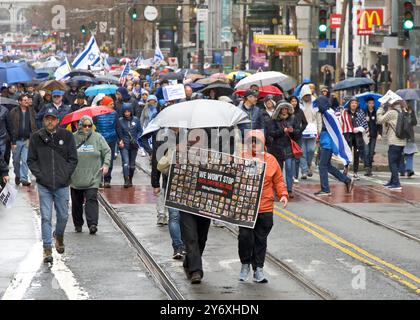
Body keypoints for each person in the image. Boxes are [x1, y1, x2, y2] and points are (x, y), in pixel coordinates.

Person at [27, 108, 78, 264]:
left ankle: (59, 236)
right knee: (46, 217)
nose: (49, 121)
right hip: (44, 185)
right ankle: (47, 249)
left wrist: (65, 175)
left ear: (57, 120)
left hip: (62, 184)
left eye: (52, 118)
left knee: (63, 216)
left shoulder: (67, 136)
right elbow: (31, 160)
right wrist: (41, 176)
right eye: (47, 119)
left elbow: (73, 159)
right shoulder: (36, 137)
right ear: (44, 121)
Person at [238, 130, 288, 283]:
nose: (254, 145)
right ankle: (245, 264)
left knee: (261, 238)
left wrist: (283, 194)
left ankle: (258, 268)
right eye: (251, 142)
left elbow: (278, 180)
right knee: (245, 237)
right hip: (246, 206)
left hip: (265, 207)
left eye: (256, 142)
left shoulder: (271, 160)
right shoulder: (240, 158)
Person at [71, 116, 111, 234]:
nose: (87, 128)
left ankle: (93, 224)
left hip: (93, 175)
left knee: (92, 198)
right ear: (80, 125)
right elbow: (65, 154)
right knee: (76, 202)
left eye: (90, 126)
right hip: (76, 176)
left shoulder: (98, 137)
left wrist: (106, 165)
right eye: (85, 125)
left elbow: (107, 151)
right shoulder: (73, 138)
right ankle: (78, 224)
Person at [315, 96, 355, 196]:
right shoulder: (327, 112)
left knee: (322, 166)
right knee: (327, 166)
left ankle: (325, 189)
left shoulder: (328, 113)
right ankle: (346, 180)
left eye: (319, 104)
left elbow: (334, 130)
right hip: (326, 142)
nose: (318, 106)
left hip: (327, 144)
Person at [268, 102, 300, 198]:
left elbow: (298, 132)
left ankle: (289, 189)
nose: (284, 110)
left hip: (289, 147)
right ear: (279, 110)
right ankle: (279, 190)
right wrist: (282, 131)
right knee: (279, 171)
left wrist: (293, 131)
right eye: (283, 108)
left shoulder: (293, 118)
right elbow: (271, 133)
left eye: (286, 108)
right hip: (277, 148)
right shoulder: (274, 120)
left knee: (289, 169)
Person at [376, 100, 407, 190]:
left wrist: (380, 108)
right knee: (396, 162)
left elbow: (379, 120)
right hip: (402, 141)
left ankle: (396, 183)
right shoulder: (403, 110)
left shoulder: (392, 112)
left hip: (394, 141)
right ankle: (392, 181)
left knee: (392, 162)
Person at [94, 96, 124, 188]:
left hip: (111, 139)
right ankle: (99, 179)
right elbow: (94, 127)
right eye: (111, 104)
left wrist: (120, 139)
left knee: (109, 160)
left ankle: (107, 179)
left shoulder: (114, 113)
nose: (113, 105)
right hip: (100, 140)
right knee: (99, 159)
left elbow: (117, 127)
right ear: (106, 104)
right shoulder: (97, 113)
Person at [9, 94, 37, 186]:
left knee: (25, 160)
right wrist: (13, 142)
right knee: (16, 161)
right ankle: (18, 175)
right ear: (19, 102)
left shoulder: (32, 111)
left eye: (27, 100)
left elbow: (34, 125)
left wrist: (33, 137)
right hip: (16, 140)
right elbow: (11, 127)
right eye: (24, 100)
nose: (27, 101)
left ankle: (24, 178)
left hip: (27, 140)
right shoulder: (14, 111)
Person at [340, 98, 368, 180]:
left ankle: (355, 172)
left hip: (358, 136)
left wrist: (359, 128)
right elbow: (341, 121)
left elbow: (364, 124)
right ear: (349, 104)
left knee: (356, 154)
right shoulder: (345, 112)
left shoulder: (360, 112)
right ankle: (346, 168)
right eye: (352, 103)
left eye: (356, 103)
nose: (354, 104)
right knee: (347, 152)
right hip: (348, 135)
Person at [119, 103, 142, 188]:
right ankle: (126, 180)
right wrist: (120, 141)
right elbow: (118, 132)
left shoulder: (136, 120)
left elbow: (140, 130)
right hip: (124, 145)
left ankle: (131, 179)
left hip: (133, 145)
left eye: (128, 111)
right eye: (125, 111)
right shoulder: (120, 120)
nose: (127, 113)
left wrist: (137, 138)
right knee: (125, 162)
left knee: (132, 165)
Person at [299, 84, 318, 179]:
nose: (307, 97)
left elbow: (318, 117)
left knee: (311, 150)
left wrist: (318, 129)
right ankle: (304, 171)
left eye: (308, 95)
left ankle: (310, 164)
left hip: (312, 129)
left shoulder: (315, 102)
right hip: (301, 129)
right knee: (302, 151)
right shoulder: (298, 103)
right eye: (305, 95)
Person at [289, 95, 307, 183]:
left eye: (295, 101)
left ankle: (295, 175)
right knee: (289, 156)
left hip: (298, 136)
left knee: (297, 156)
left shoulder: (300, 111)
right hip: (288, 136)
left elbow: (305, 123)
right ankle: (290, 175)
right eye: (292, 101)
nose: (294, 103)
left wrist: (300, 130)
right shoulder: (287, 111)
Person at [364, 98, 382, 177]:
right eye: (369, 103)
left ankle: (369, 167)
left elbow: (379, 124)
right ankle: (367, 168)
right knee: (366, 152)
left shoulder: (376, 112)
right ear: (367, 104)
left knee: (371, 152)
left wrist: (380, 133)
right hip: (365, 135)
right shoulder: (364, 112)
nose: (371, 105)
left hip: (374, 135)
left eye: (372, 103)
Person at [399, 103, 417, 178]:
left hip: (410, 136)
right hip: (402, 136)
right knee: (401, 153)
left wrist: (411, 115)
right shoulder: (400, 112)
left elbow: (414, 122)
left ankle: (409, 169)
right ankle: (402, 170)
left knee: (410, 153)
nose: (405, 105)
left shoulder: (411, 112)